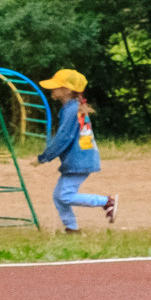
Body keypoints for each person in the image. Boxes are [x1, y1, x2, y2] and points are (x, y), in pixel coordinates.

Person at [33, 70, 117, 233]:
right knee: (59, 196)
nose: (52, 90)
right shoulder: (72, 108)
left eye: (57, 86)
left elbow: (63, 138)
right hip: (80, 158)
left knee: (64, 196)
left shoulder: (72, 110)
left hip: (79, 160)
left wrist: (43, 158)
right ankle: (72, 228)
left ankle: (107, 201)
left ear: (67, 90)